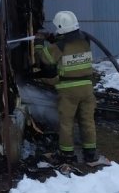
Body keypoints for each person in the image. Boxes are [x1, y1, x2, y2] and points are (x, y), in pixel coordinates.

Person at [34, 11, 109, 166]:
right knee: (87, 121)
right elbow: (69, 45)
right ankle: (90, 154)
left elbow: (45, 58)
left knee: (66, 123)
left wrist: (39, 42)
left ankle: (67, 154)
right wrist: (52, 38)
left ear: (61, 27)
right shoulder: (85, 40)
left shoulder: (59, 46)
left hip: (69, 90)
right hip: (87, 89)